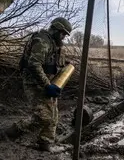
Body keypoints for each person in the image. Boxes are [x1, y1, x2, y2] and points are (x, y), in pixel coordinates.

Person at [2, 17, 72, 151]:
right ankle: (9, 132)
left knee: (53, 114)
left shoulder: (53, 43)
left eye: (65, 34)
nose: (63, 37)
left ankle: (45, 142)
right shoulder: (42, 40)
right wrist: (47, 85)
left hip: (47, 82)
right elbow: (34, 64)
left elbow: (50, 62)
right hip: (35, 82)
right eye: (62, 33)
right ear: (55, 29)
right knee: (43, 116)